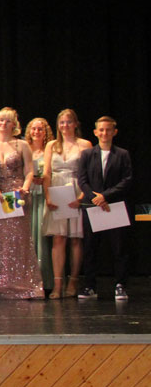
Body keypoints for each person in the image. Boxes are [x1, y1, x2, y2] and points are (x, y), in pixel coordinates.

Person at [0, 107, 44, 299]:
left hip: (17, 195)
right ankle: (0, 283)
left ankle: (23, 282)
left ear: (14, 124)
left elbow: (29, 170)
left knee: (19, 239)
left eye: (8, 121)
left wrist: (25, 187)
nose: (4, 124)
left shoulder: (22, 145)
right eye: (1, 120)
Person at [77, 116, 132, 301]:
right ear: (95, 132)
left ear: (114, 132)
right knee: (90, 247)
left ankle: (120, 285)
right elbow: (82, 180)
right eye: (101, 130)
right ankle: (90, 286)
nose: (104, 133)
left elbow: (127, 180)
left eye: (108, 130)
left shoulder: (122, 154)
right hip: (92, 207)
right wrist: (96, 198)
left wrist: (105, 196)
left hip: (114, 206)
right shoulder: (87, 154)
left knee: (119, 248)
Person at [42, 109, 91, 298]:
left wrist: (82, 196)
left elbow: (89, 173)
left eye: (69, 122)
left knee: (76, 239)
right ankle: (57, 285)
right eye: (62, 122)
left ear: (76, 124)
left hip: (76, 191)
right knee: (58, 238)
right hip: (57, 191)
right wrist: (48, 196)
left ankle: (73, 281)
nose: (65, 125)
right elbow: (47, 172)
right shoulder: (52, 145)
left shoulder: (84, 144)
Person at [24, 116, 54, 291]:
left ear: (45, 132)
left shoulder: (49, 150)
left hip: (43, 195)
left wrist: (44, 179)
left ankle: (45, 280)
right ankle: (28, 279)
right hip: (27, 195)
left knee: (42, 236)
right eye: (33, 129)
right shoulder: (24, 148)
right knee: (27, 235)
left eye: (40, 129)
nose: (36, 132)